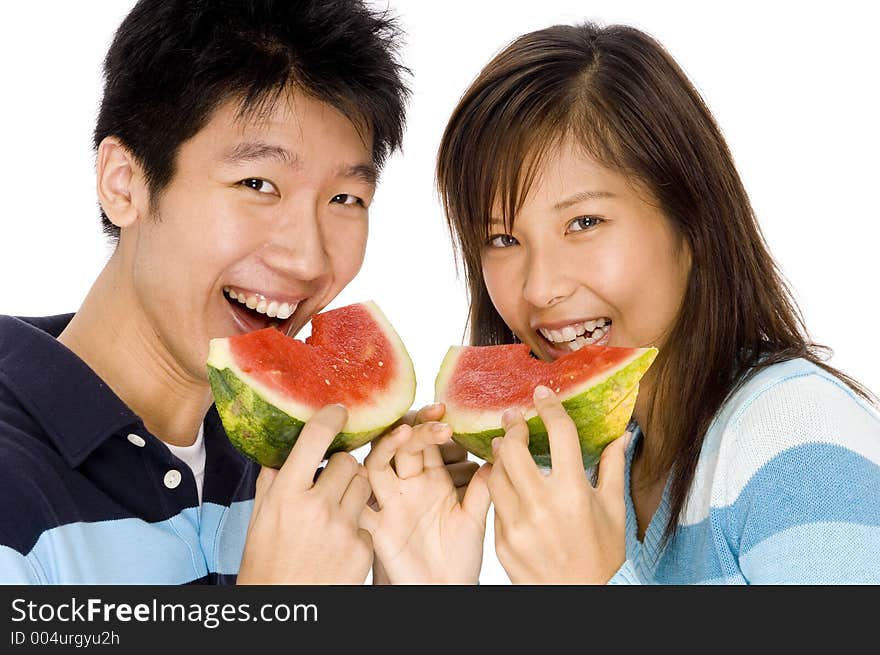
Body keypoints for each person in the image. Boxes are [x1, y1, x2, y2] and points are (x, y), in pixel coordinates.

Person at [368, 21, 880, 585]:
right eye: (502, 239)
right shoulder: (585, 466)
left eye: (584, 222)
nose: (540, 288)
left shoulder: (797, 440)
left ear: (692, 222)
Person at [0, 0, 476, 585]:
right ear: (123, 183)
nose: (308, 258)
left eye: (345, 199)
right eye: (258, 184)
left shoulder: (302, 475)